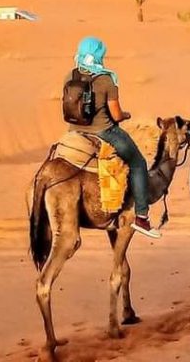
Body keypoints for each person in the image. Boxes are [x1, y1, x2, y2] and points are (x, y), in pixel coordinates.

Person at [68, 37, 160, 239]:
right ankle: (142, 217)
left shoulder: (72, 74)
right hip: (103, 131)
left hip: (74, 130)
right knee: (138, 162)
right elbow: (116, 115)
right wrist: (125, 115)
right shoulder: (107, 79)